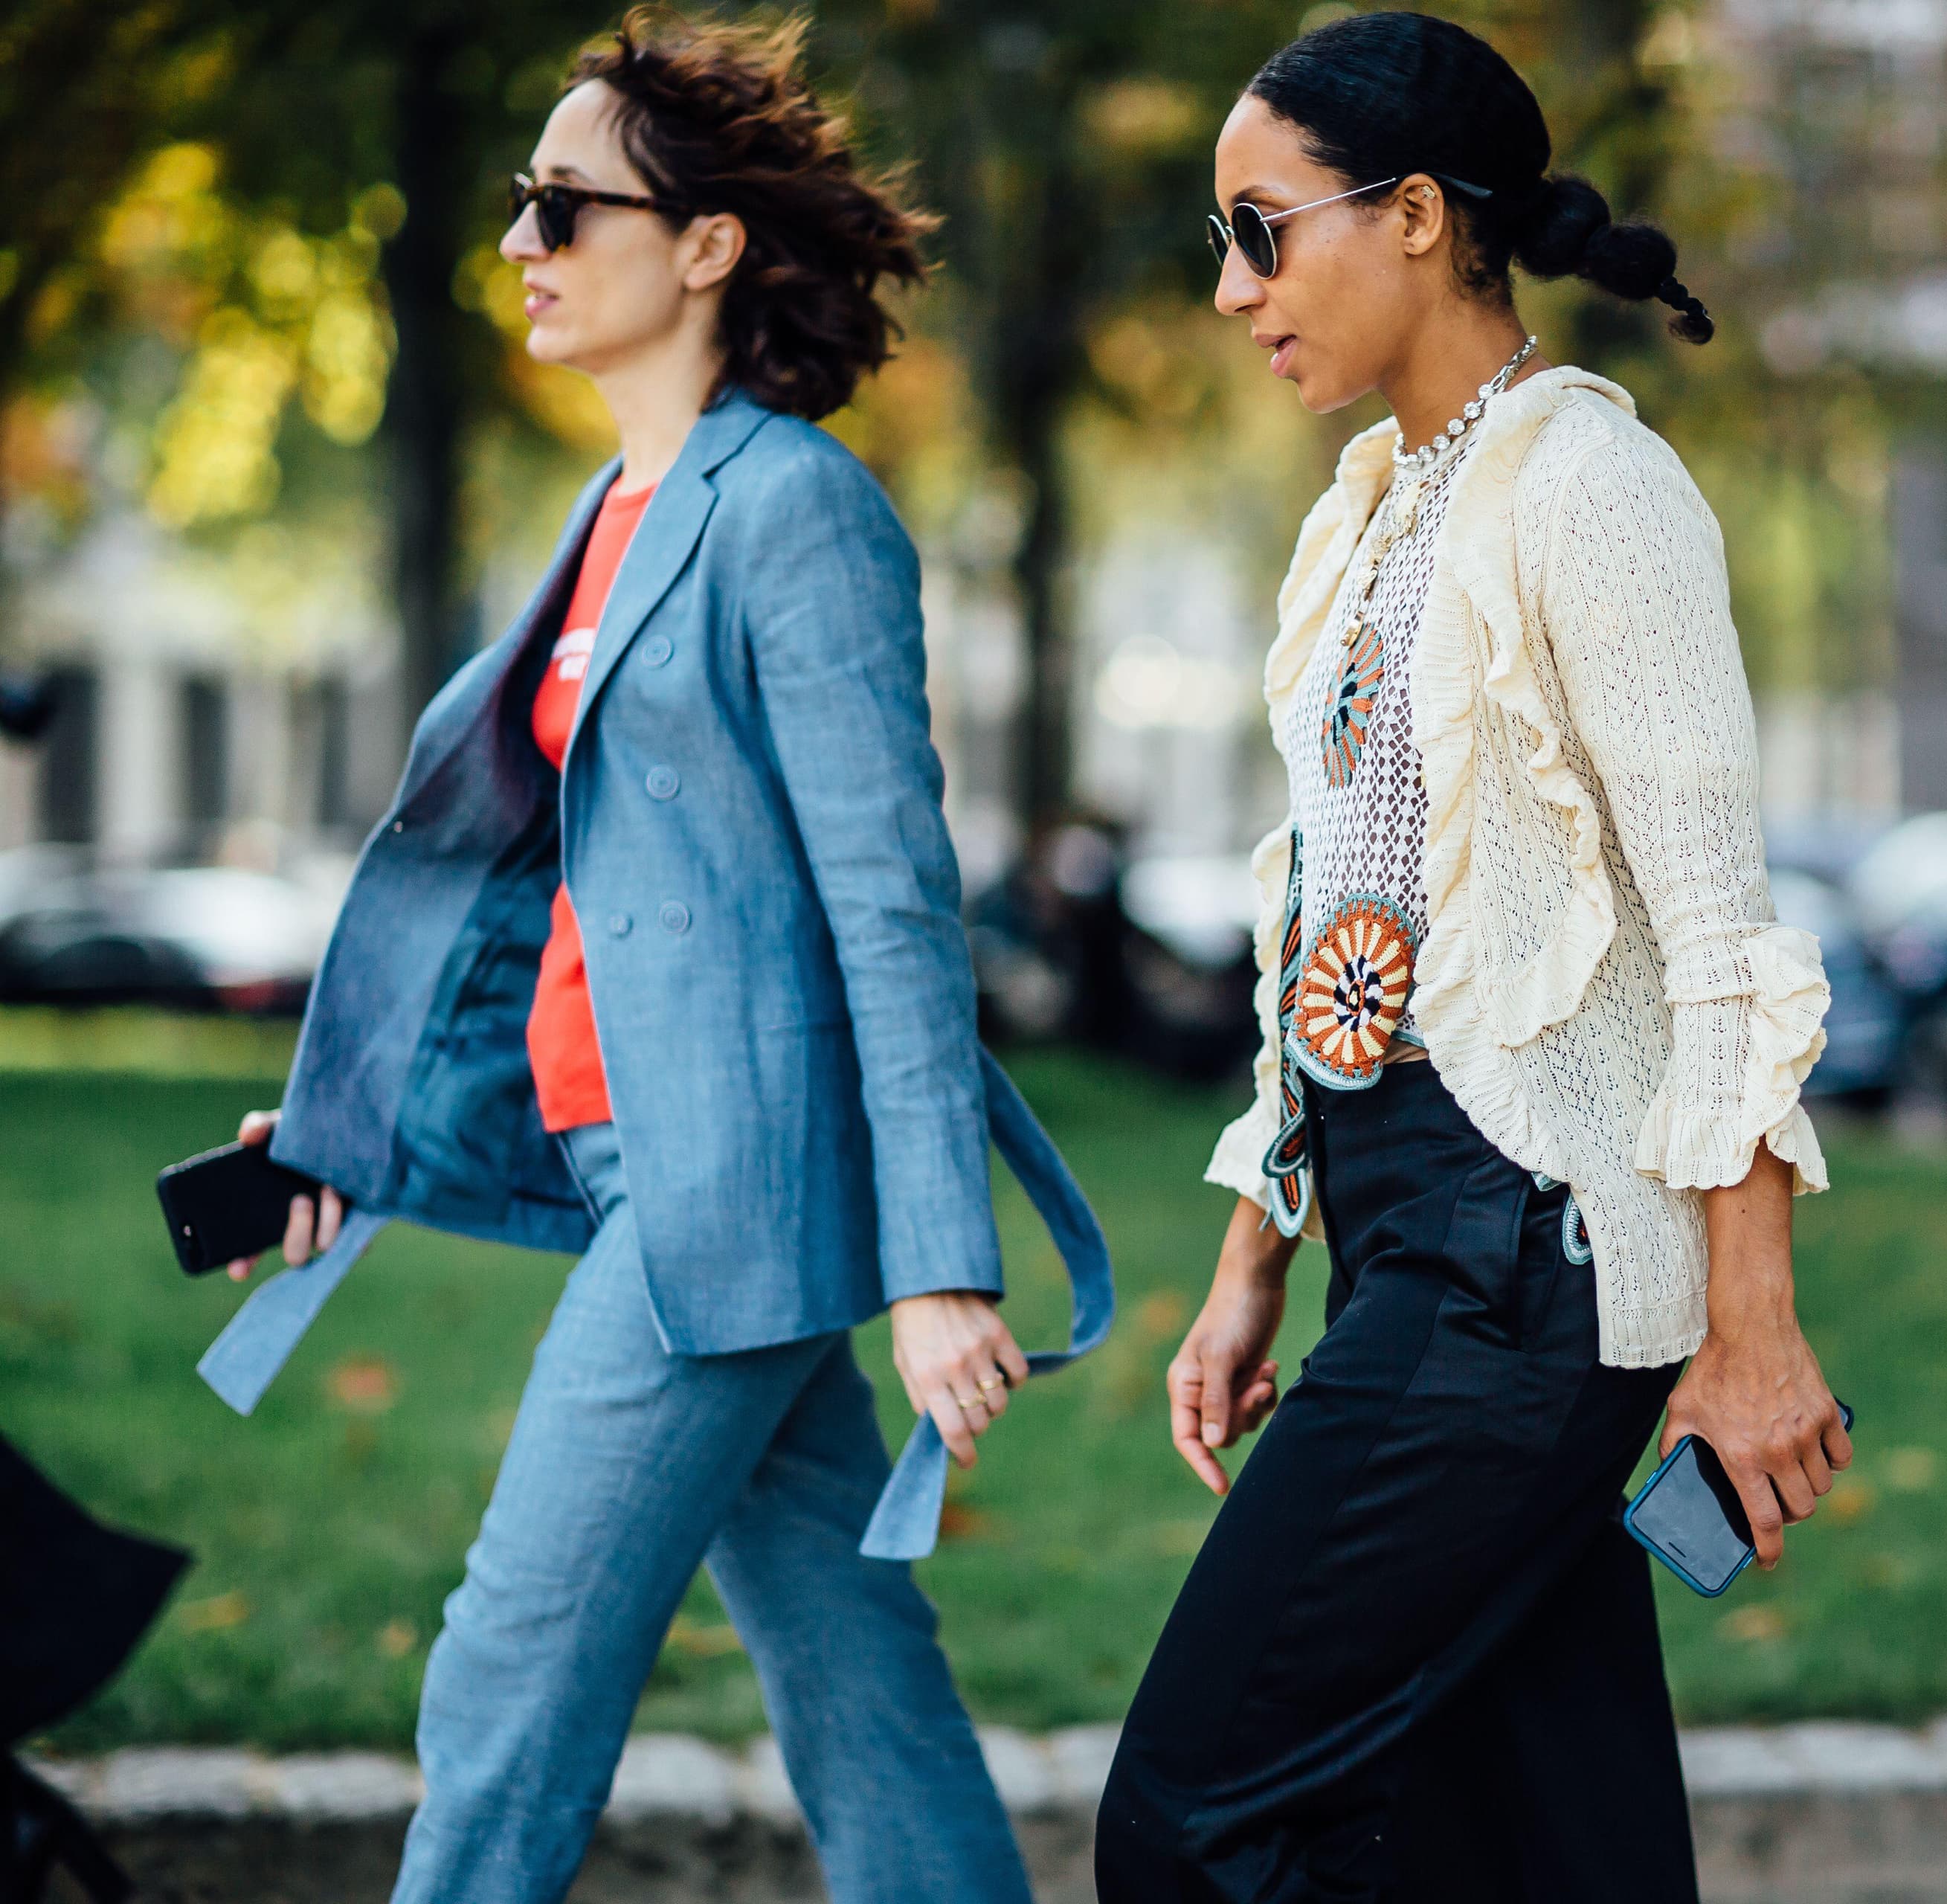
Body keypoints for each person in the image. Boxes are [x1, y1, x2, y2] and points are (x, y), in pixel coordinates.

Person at [202, 16, 1107, 1903]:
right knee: (855, 1673)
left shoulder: (796, 508)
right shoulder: (615, 513)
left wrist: (940, 1259)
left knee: (508, 1663)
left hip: (725, 1189)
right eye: (517, 202)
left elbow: (890, 901)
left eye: (563, 205)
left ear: (705, 245)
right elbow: (559, 899)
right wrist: (345, 1121)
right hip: (640, 1157)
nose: (518, 243)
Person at [1095, 14, 1850, 1900]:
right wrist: (1257, 1250)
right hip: (1413, 1235)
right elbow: (1324, 922)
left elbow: (1720, 939)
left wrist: (1753, 1330)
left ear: (1417, 214)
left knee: (1196, 1818)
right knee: (1541, 1847)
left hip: (1524, 1257)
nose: (1229, 289)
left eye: (1260, 230)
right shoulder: (1367, 512)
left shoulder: (1592, 488)